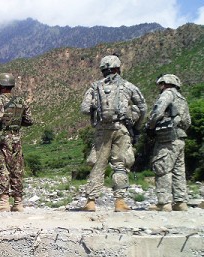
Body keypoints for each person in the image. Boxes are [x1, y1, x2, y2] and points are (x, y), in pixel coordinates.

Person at [80, 54, 147, 212]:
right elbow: (143, 107)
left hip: (101, 131)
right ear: (118, 68)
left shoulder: (94, 87)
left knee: (98, 165)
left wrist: (95, 111)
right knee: (120, 164)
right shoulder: (128, 86)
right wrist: (136, 123)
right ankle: (119, 202)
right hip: (121, 129)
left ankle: (90, 202)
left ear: (103, 70)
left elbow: (84, 109)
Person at [0, 73, 33, 212]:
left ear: (0, 85)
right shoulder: (21, 101)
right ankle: (18, 202)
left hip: (3, 139)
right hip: (16, 138)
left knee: (2, 168)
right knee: (17, 169)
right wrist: (16, 121)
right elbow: (29, 120)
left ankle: (4, 201)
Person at [146, 74, 191, 212]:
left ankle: (164, 203)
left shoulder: (167, 95)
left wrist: (150, 126)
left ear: (164, 84)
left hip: (167, 138)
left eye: (160, 85)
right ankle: (180, 202)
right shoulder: (182, 99)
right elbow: (188, 121)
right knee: (179, 171)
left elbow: (157, 112)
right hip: (180, 138)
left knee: (162, 168)